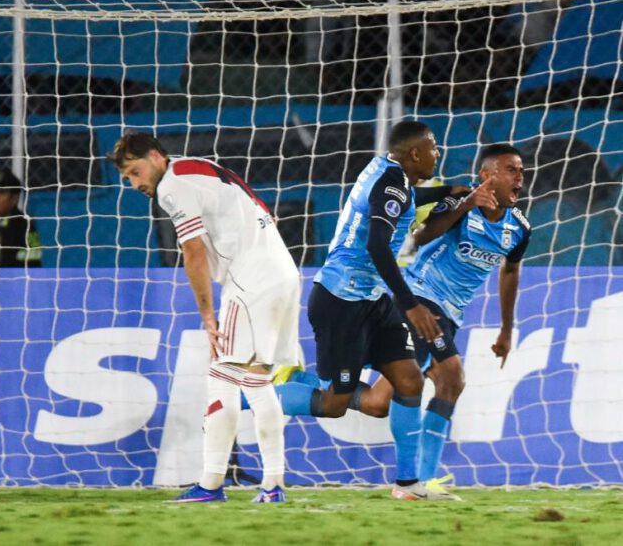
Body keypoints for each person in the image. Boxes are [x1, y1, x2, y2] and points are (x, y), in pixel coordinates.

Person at [109, 131, 297, 504]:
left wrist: (208, 316)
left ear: (155, 156)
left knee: (221, 378)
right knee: (257, 381)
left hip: (250, 280)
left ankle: (211, 484)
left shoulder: (172, 186)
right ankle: (272, 485)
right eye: (128, 177)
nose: (134, 184)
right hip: (284, 273)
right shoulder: (201, 168)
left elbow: (192, 252)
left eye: (134, 172)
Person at [346, 143, 530, 500]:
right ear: (486, 175)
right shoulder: (458, 205)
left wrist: (507, 329)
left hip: (450, 315)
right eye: (511, 169)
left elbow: (509, 272)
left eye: (521, 171)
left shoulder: (520, 228)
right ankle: (421, 482)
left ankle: (306, 387)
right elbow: (419, 237)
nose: (519, 177)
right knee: (452, 378)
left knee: (377, 403)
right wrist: (466, 204)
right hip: (419, 301)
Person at [306, 120, 465, 500]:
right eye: (432, 147)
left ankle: (407, 486)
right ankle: (253, 394)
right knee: (333, 405)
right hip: (341, 300)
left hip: (370, 300)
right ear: (414, 154)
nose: (437, 153)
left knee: (409, 381)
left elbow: (406, 200)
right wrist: (411, 307)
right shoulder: (392, 184)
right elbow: (378, 245)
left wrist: (453, 192)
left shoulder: (389, 173)